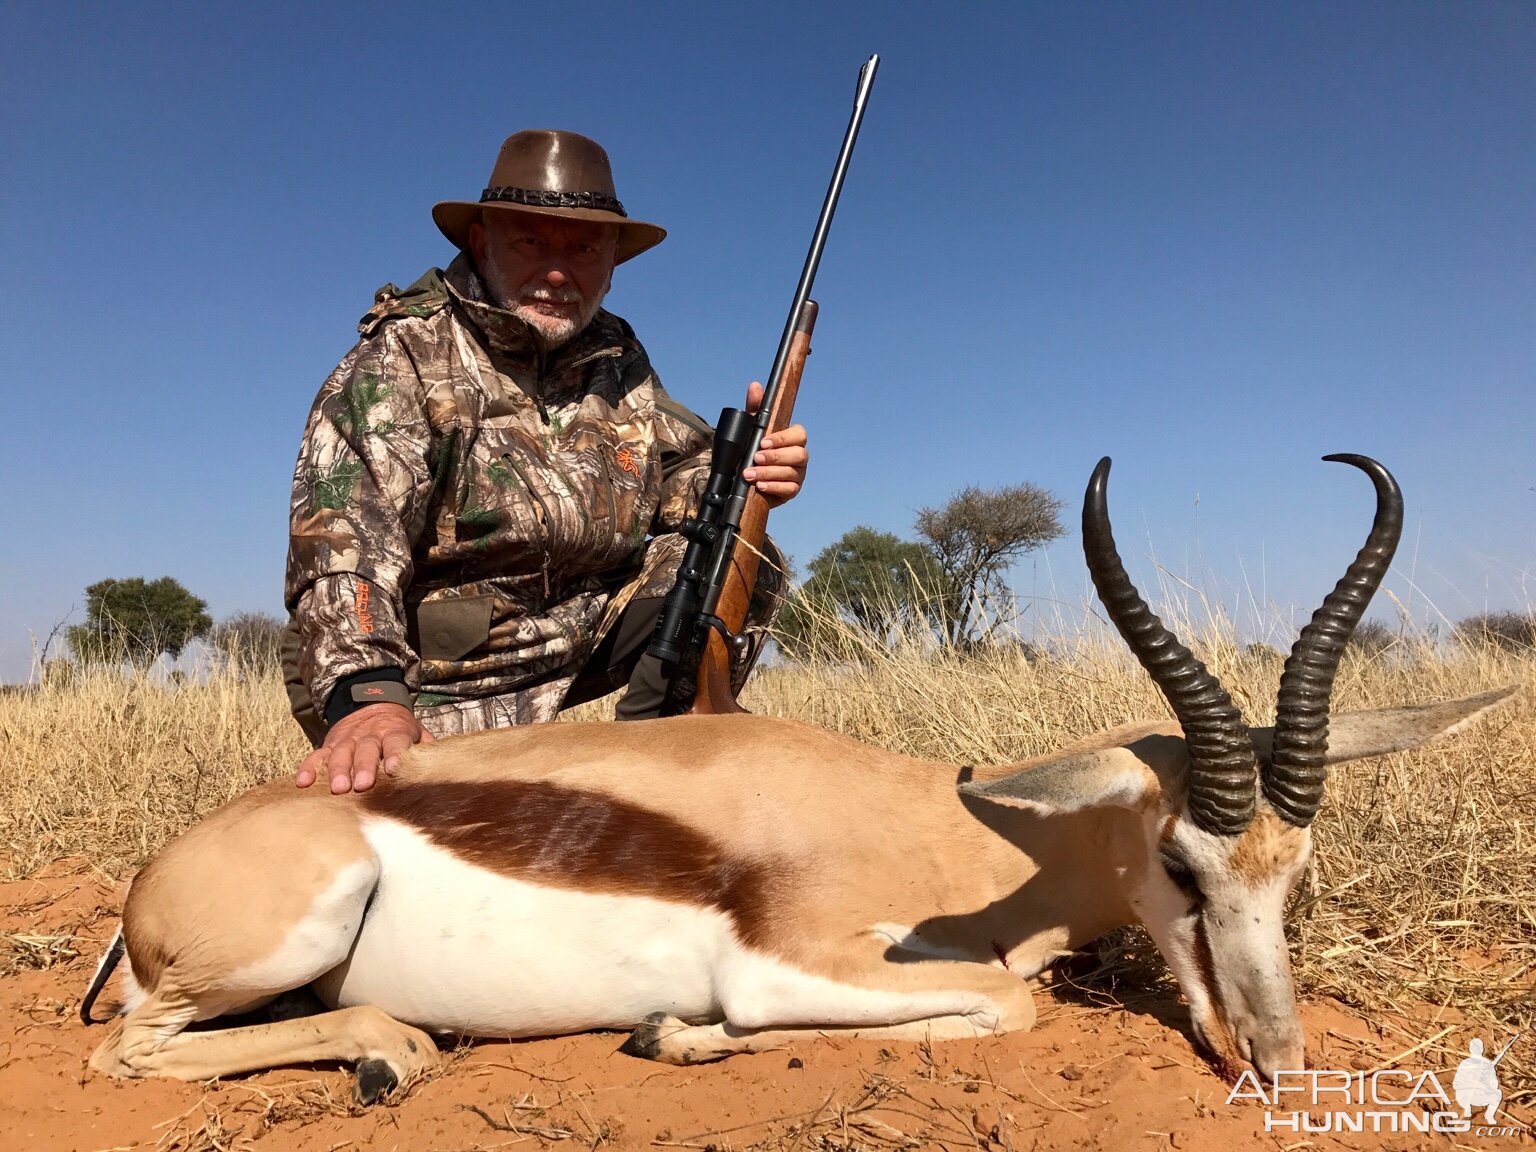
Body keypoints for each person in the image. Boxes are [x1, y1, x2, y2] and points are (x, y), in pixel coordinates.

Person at [282, 130, 808, 795]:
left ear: (613, 261)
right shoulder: (403, 357)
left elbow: (679, 468)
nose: (560, 273)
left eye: (584, 248)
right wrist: (370, 699)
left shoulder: (614, 353)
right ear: (481, 242)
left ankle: (657, 765)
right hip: (438, 667)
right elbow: (344, 545)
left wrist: (752, 474)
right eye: (533, 242)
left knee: (737, 549)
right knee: (439, 823)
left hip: (569, 636)